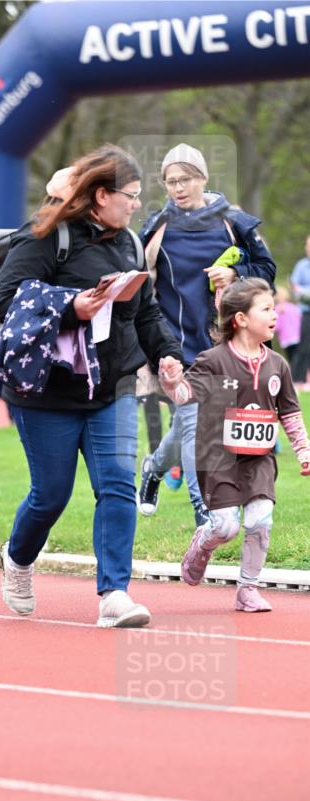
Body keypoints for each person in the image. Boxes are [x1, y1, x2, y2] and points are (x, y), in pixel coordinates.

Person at [0, 144, 183, 628]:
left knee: (117, 484)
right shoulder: (46, 236)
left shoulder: (131, 244)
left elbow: (147, 311)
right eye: (131, 196)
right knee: (50, 495)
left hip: (112, 387)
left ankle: (114, 594)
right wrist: (69, 307)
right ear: (101, 195)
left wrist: (167, 355)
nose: (137, 204)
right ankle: (17, 558)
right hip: (46, 393)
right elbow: (4, 301)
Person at [137, 143, 276, 527]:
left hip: (224, 341)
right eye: (170, 182)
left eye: (185, 180)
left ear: (202, 179)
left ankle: (153, 469)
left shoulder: (233, 222)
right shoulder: (156, 227)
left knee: (189, 424)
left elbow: (268, 269)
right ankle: (207, 512)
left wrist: (236, 275)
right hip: (173, 343)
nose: (178, 188)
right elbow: (134, 279)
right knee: (196, 422)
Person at [160, 278, 310, 612]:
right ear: (240, 319)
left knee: (260, 519)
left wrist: (303, 449)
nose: (275, 315)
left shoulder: (278, 365)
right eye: (266, 309)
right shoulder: (212, 360)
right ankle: (202, 542)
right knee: (226, 527)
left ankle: (248, 588)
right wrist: (172, 381)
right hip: (217, 458)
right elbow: (185, 396)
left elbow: (290, 411)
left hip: (259, 459)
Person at [291, 234, 310, 384]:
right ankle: (298, 381)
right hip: (306, 312)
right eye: (307, 245)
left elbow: (301, 290)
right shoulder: (301, 266)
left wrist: (304, 291)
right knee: (303, 347)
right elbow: (295, 289)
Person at [274, 285, 302, 375]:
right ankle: (299, 377)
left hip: (286, 339)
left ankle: (295, 377)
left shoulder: (278, 310)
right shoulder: (294, 307)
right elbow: (300, 320)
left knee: (292, 358)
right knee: (298, 358)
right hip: (298, 336)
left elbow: (276, 326)